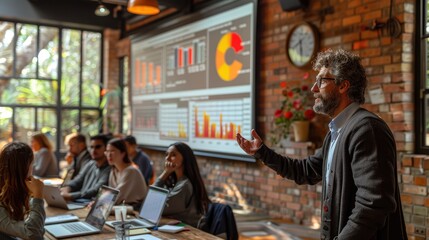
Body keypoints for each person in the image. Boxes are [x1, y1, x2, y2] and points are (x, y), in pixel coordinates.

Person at [236, 49, 407, 240]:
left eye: (322, 81)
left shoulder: (367, 129)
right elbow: (305, 171)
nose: (314, 89)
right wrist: (262, 152)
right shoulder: (337, 132)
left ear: (343, 86)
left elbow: (373, 204)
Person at [152, 142, 211, 228]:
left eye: (173, 155)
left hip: (184, 232)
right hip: (171, 228)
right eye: (166, 154)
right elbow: (151, 198)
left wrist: (165, 172)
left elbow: (153, 207)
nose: (167, 158)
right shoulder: (174, 181)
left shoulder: (185, 185)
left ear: (185, 158)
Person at [0, 142, 45, 239]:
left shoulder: (10, 191)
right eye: (32, 165)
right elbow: (33, 234)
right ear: (24, 169)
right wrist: (38, 196)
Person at [60, 134, 111, 201]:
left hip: (90, 205)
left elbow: (96, 190)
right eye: (91, 147)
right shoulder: (90, 163)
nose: (93, 150)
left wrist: (71, 196)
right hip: (80, 202)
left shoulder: (110, 168)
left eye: (98, 147)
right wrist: (67, 188)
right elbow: (77, 180)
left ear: (106, 148)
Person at [105, 138, 147, 206]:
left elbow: (117, 197)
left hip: (134, 210)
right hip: (120, 208)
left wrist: (100, 202)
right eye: (107, 151)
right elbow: (110, 194)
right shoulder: (114, 170)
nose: (109, 155)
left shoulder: (131, 171)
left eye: (112, 151)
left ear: (123, 153)